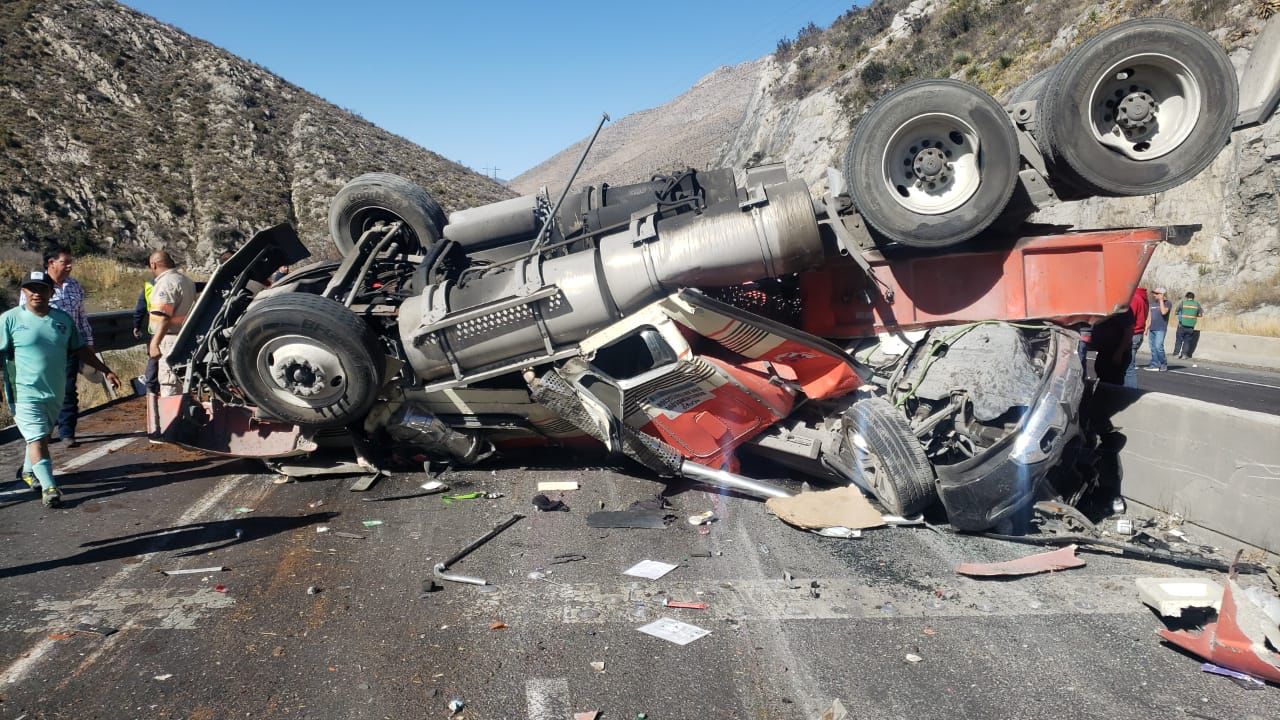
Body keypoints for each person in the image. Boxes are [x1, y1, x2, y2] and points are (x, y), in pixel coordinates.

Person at [2, 271, 120, 507]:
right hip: (23, 392)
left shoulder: (62, 320)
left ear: (51, 292)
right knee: (37, 438)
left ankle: (28, 471)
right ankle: (50, 488)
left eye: (42, 288)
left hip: (54, 390)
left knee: (43, 436)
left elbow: (80, 348)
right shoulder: (9, 319)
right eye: (31, 289)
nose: (36, 293)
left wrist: (105, 370)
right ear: (23, 292)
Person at [18, 246, 95, 448]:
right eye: (65, 262)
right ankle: (44, 430)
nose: (69, 266)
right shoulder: (36, 286)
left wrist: (88, 343)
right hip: (42, 349)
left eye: (70, 262)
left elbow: (81, 317)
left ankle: (67, 432)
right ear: (51, 263)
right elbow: (23, 316)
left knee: (68, 389)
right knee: (43, 390)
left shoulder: (74, 285)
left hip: (69, 346)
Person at [146, 251, 196, 397]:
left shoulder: (165, 284)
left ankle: (173, 412)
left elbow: (164, 317)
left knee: (170, 383)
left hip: (169, 340)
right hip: (185, 338)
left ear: (153, 265)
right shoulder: (186, 281)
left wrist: (155, 343)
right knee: (184, 383)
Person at [132, 274, 157, 393]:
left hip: (158, 329)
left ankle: (149, 387)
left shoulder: (150, 286)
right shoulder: (182, 281)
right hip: (185, 328)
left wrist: (136, 326)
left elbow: (140, 308)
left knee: (155, 357)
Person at [1123, 287, 1148, 388]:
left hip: (1132, 334)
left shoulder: (1134, 299)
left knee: (1129, 367)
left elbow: (1129, 320)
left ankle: (1130, 391)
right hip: (1138, 333)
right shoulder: (1143, 299)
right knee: (1128, 365)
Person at [1144, 287, 1171, 372]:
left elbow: (1163, 312)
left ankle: (1163, 363)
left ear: (1162, 294)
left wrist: (1161, 300)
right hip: (1152, 328)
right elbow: (1149, 317)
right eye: (1154, 293)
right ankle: (1154, 364)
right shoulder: (1152, 304)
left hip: (1160, 329)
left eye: (1156, 293)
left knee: (1158, 346)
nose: (1154, 295)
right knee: (1153, 347)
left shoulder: (1167, 303)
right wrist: (1146, 328)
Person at [1173, 291, 1203, 360]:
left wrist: (1181, 314)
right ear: (1193, 298)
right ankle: (1184, 355)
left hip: (1181, 325)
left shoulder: (1183, 303)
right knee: (1187, 341)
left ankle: (1176, 354)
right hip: (1191, 327)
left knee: (1179, 340)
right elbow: (1200, 314)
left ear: (1186, 297)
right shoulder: (1197, 304)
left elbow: (1176, 311)